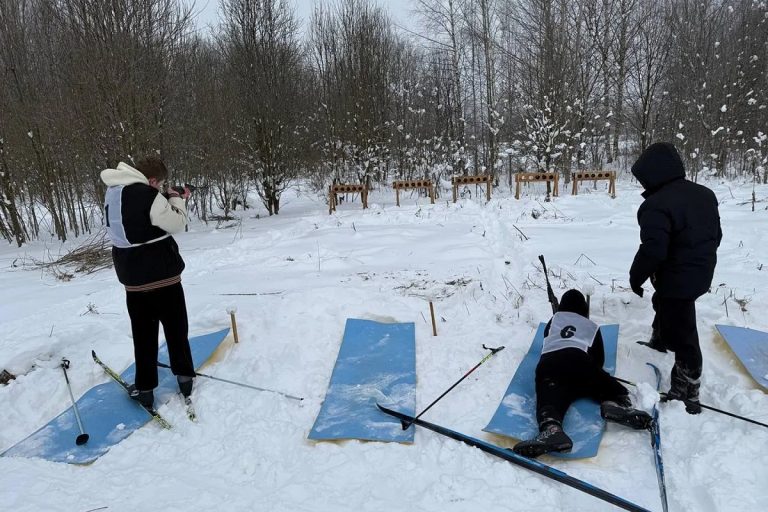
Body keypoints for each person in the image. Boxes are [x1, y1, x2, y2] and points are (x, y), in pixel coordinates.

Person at [629, 142, 722, 414]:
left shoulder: (656, 205)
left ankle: (687, 389)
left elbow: (653, 249)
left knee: (684, 334)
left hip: (678, 277)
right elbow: (716, 235)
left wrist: (636, 277)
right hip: (702, 270)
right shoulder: (704, 194)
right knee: (666, 304)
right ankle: (659, 339)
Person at [101, 156, 195, 408]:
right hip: (164, 277)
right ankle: (184, 376)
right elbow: (176, 222)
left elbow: (137, 221)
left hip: (133, 280)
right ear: (152, 180)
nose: (160, 187)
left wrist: (164, 196)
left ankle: (145, 389)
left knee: (143, 336)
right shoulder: (148, 195)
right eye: (160, 184)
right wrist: (176, 199)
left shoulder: (113, 191)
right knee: (176, 329)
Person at [513, 290, 652, 458]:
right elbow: (598, 360)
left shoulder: (554, 320)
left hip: (550, 365)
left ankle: (552, 429)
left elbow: (546, 340)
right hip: (579, 361)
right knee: (604, 385)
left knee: (549, 400)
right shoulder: (591, 326)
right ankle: (613, 404)